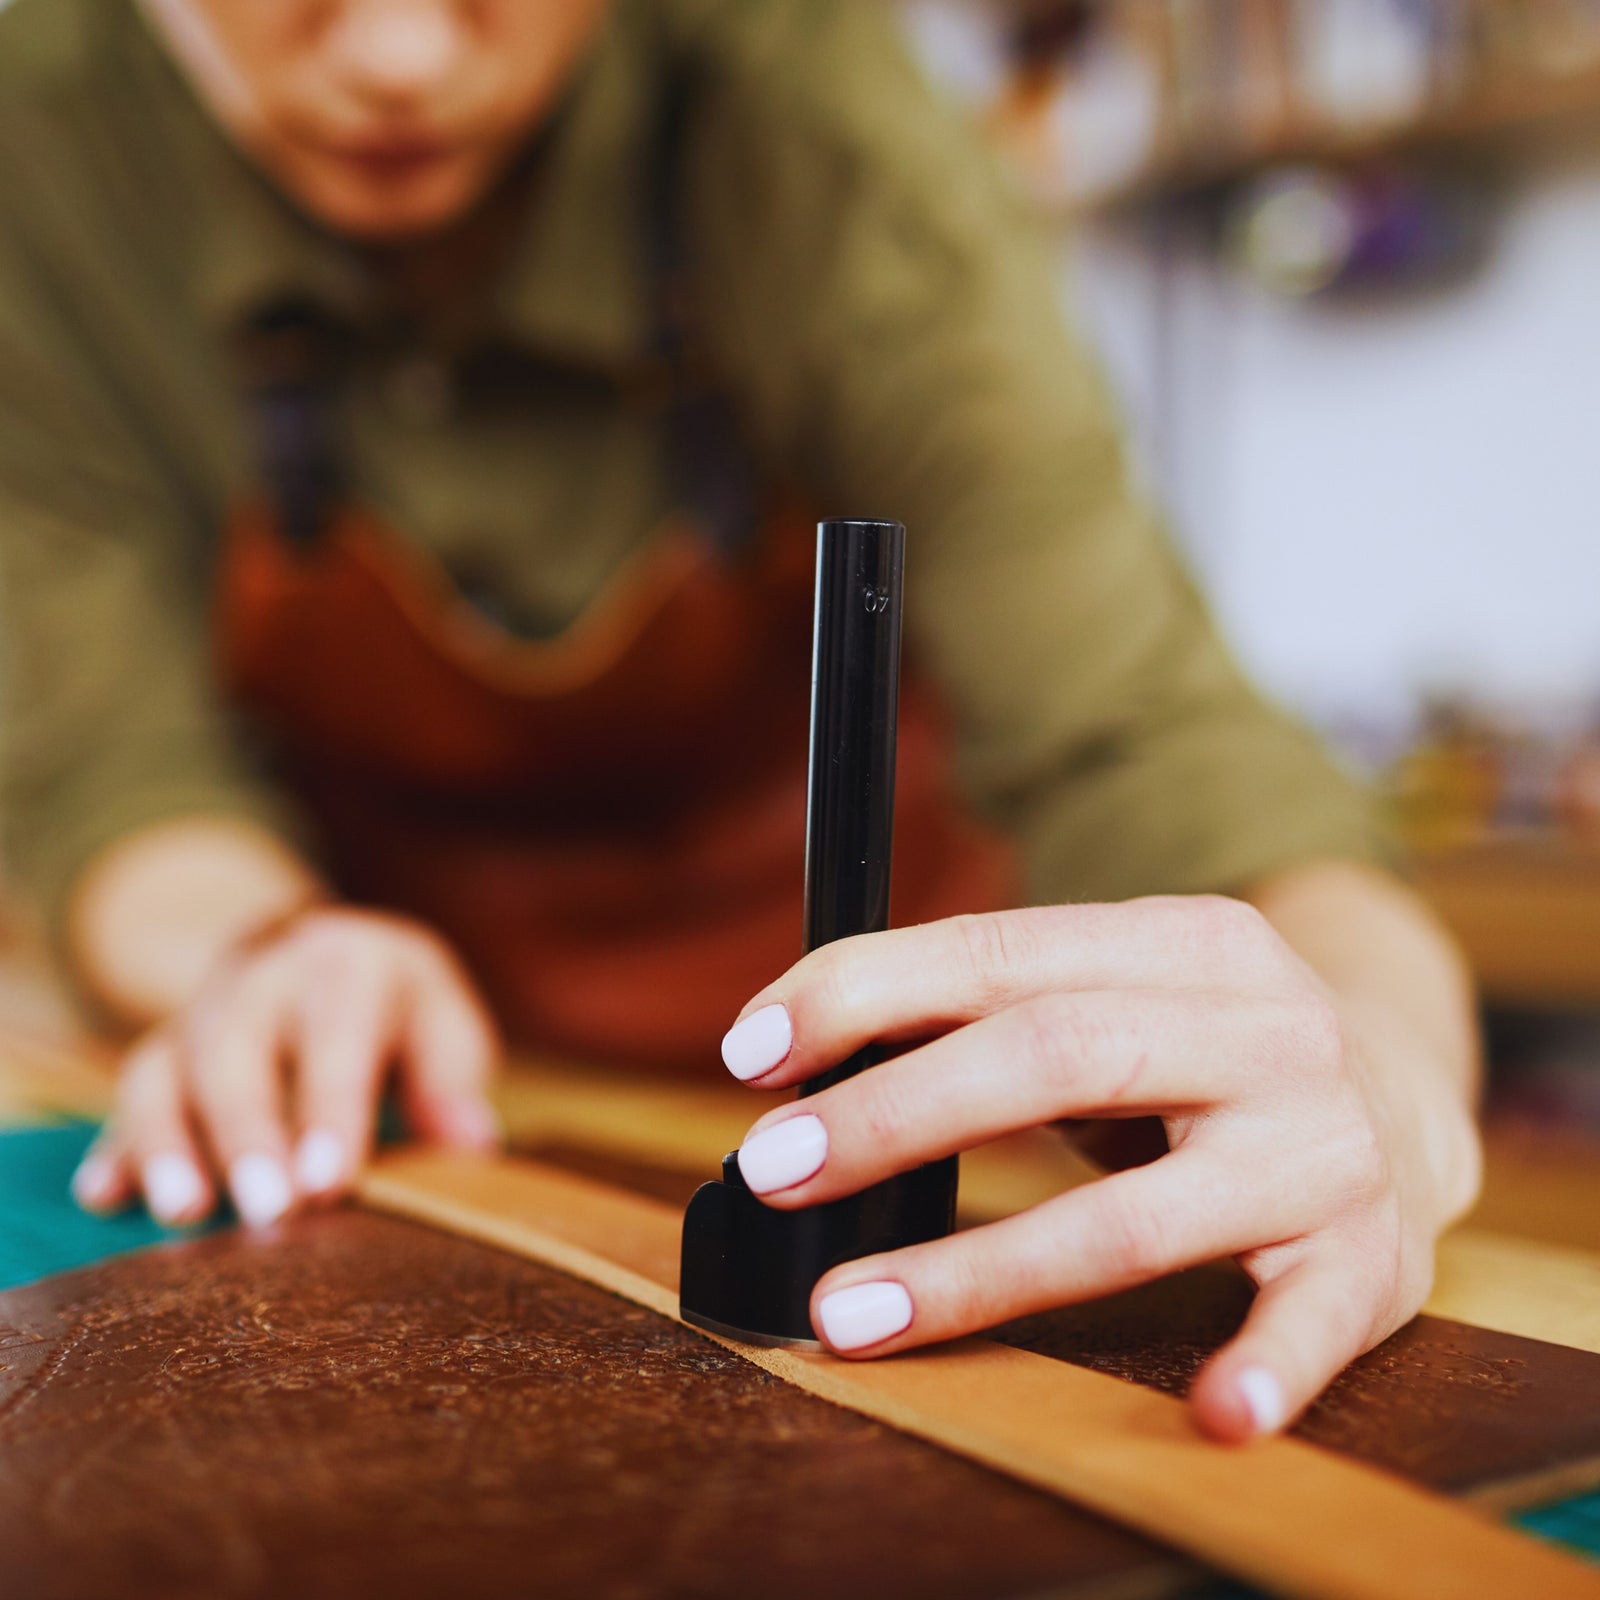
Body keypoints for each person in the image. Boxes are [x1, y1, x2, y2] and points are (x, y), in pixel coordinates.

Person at [0, 0, 1479, 1445]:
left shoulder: (815, 106)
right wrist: (263, 955)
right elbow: (113, 776)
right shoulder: (35, 127)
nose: (401, 53)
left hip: (925, 1145)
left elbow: (1154, 744)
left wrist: (1388, 1073)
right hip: (460, 1125)